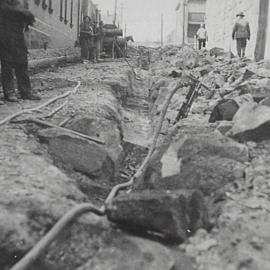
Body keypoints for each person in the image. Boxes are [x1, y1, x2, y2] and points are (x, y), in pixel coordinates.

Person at [0, 0, 41, 102]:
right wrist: (23, 12)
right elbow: (7, 9)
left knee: (22, 63)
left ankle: (25, 91)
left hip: (18, 36)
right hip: (5, 36)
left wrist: (28, 17)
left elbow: (28, 19)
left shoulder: (21, 3)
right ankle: (9, 92)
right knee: (7, 64)